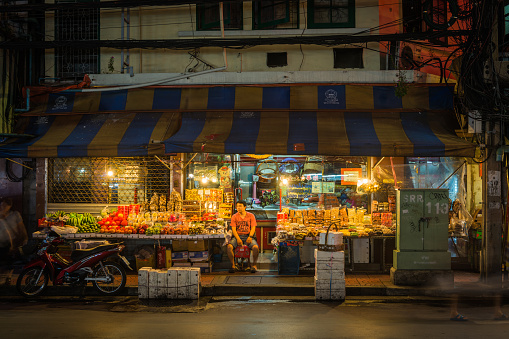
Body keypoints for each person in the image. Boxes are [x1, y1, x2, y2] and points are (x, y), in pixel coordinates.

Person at [0, 198, 27, 285]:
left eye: (5, 205)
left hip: (13, 242)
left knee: (9, 262)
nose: (3, 207)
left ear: (10, 206)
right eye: (2, 205)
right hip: (2, 243)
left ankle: (8, 278)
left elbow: (21, 229)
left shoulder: (15, 215)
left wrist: (24, 239)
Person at [227, 200, 259, 273]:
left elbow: (253, 227)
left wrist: (250, 237)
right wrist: (238, 239)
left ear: (245, 207)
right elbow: (234, 229)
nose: (239, 208)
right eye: (237, 206)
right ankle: (233, 265)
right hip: (237, 236)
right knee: (229, 247)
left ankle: (254, 265)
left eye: (240, 206)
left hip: (248, 236)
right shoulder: (234, 216)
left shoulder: (251, 215)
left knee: (255, 248)